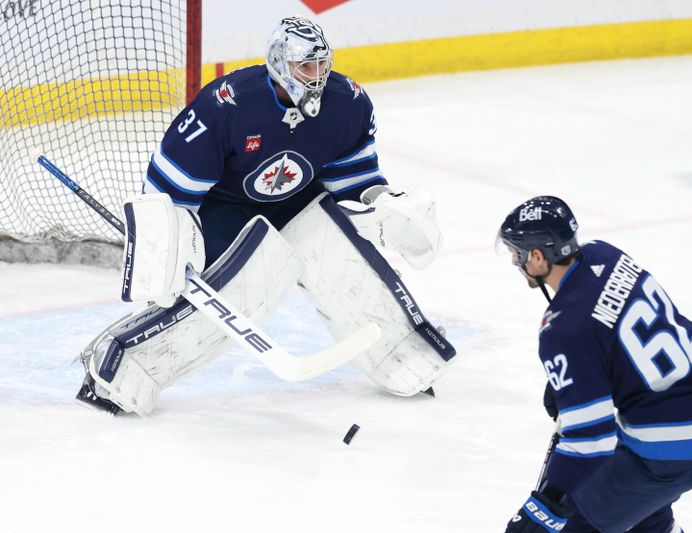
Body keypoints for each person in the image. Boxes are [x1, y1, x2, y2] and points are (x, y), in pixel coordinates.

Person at [75, 16, 455, 416]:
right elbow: (167, 190)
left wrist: (385, 203)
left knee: (339, 254)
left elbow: (353, 179)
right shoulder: (227, 106)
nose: (317, 77)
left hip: (299, 200)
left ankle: (401, 351)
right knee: (242, 289)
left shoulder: (348, 104)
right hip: (226, 210)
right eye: (304, 67)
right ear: (278, 63)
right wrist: (168, 246)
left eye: (322, 65)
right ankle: (119, 364)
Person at [497, 196, 692, 532]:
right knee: (632, 497)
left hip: (680, 441)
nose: (516, 262)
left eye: (517, 253)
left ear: (537, 256)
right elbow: (610, 326)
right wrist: (583, 371)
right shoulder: (606, 254)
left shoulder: (562, 329)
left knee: (576, 517)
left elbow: (591, 438)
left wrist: (548, 502)